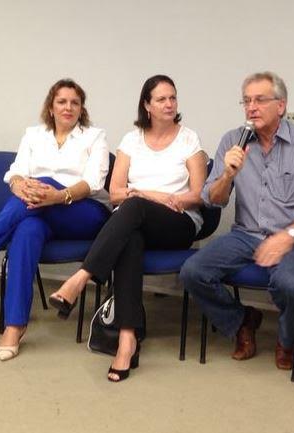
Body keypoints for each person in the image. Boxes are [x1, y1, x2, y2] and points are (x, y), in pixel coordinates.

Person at [0, 79, 111, 361]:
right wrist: (18, 185)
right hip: (37, 210)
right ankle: (14, 325)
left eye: (75, 102)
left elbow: (93, 182)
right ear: (51, 107)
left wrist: (57, 195)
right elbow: (16, 172)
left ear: (81, 108)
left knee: (45, 181)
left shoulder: (95, 137)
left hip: (83, 211)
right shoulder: (34, 135)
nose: (68, 107)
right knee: (26, 230)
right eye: (62, 102)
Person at [49, 74, 207, 382]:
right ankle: (126, 340)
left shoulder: (189, 139)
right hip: (134, 222)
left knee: (133, 207)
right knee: (130, 238)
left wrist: (150, 196)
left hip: (177, 222)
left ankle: (80, 278)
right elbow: (115, 193)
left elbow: (198, 195)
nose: (169, 104)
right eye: (161, 99)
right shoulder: (131, 140)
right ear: (147, 105)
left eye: (173, 98)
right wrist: (144, 196)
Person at [180, 71, 294, 370]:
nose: (251, 107)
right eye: (246, 101)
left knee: (289, 283)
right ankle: (242, 321)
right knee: (192, 271)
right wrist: (227, 175)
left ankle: (287, 339)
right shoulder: (233, 140)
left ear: (281, 105)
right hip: (246, 234)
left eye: (260, 100)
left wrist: (287, 237)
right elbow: (212, 199)